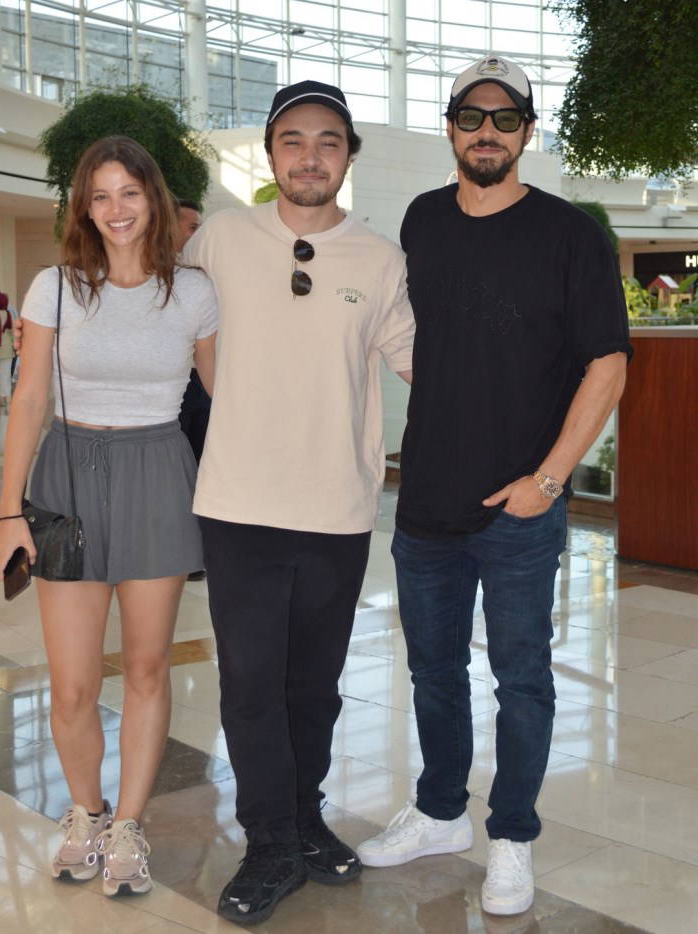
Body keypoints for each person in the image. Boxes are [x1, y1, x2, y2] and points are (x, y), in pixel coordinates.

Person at [356, 55, 632, 917]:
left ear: (527, 132)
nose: (487, 132)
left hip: (520, 509)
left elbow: (608, 366)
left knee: (523, 679)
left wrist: (547, 482)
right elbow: (414, 334)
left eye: (505, 119)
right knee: (433, 672)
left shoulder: (570, 234)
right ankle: (442, 812)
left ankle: (511, 836)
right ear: (450, 128)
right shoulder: (422, 219)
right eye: (472, 117)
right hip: (426, 500)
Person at [181, 81, 415, 925]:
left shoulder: (379, 259)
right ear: (272, 153)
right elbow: (180, 332)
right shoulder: (220, 238)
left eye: (327, 141)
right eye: (293, 140)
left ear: (348, 156)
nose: (309, 156)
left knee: (314, 686)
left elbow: (421, 360)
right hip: (239, 504)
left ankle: (305, 817)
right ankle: (270, 842)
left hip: (336, 508)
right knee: (251, 685)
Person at [0, 135, 217, 898]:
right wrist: (8, 513)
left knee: (149, 668)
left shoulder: (193, 293)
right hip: (67, 477)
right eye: (100, 196)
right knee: (72, 684)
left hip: (157, 472)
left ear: (153, 198)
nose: (116, 209)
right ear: (83, 208)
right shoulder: (54, 288)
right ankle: (85, 814)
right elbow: (29, 400)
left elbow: (224, 395)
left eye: (129, 192)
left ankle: (127, 825)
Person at [174, 199, 211, 581]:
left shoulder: (204, 276)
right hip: (174, 389)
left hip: (203, 382)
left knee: (201, 464)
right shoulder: (150, 276)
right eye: (191, 226)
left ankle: (197, 553)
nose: (197, 234)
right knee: (178, 469)